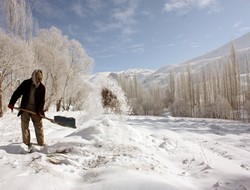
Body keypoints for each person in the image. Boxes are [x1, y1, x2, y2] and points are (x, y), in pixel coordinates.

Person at [8, 69, 46, 147]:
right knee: (24, 126)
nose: (39, 80)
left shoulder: (42, 88)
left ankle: (41, 144)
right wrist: (12, 103)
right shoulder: (26, 84)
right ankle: (26, 144)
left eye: (40, 79)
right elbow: (17, 93)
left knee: (39, 126)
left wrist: (39, 111)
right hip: (25, 108)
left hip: (36, 110)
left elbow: (42, 101)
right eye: (38, 78)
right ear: (34, 77)